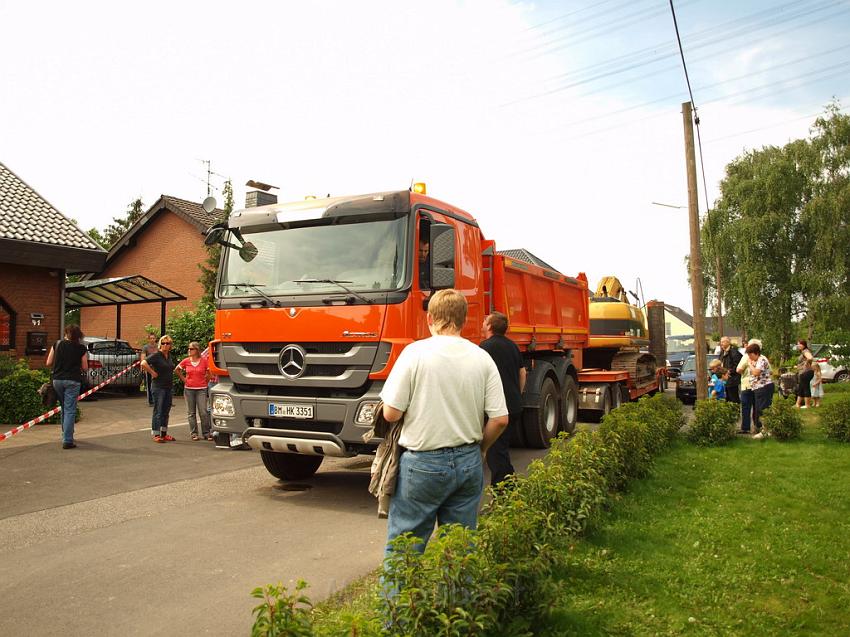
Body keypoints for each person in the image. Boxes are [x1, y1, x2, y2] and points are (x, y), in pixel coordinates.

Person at [380, 289, 509, 553]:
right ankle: (458, 594)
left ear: (429, 318)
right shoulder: (482, 358)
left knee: (405, 550)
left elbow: (391, 413)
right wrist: (481, 449)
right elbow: (500, 419)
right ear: (464, 319)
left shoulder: (414, 353)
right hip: (468, 461)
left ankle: (400, 595)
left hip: (422, 463)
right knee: (460, 550)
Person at [480, 311, 527, 487]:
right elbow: (522, 373)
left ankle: (505, 493)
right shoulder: (513, 346)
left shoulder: (485, 348)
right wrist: (517, 394)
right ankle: (510, 485)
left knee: (494, 452)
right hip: (514, 405)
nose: (483, 322)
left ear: (490, 326)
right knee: (501, 449)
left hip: (497, 409)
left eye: (485, 320)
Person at [45, 325, 88, 449]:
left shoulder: (57, 344)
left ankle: (66, 434)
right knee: (70, 409)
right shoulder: (81, 348)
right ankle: (68, 440)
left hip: (57, 380)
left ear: (66, 333)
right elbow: (85, 367)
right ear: (78, 336)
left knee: (64, 407)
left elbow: (48, 362)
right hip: (73, 380)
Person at [140, 335, 178, 443]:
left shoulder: (169, 356)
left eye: (168, 343)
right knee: (158, 410)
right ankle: (156, 434)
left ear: (170, 345)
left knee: (166, 411)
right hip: (158, 387)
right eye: (163, 343)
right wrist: (152, 372)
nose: (165, 345)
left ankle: (164, 433)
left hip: (168, 387)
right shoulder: (157, 355)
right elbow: (143, 363)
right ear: (160, 344)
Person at [177, 341, 212, 441]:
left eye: (191, 349)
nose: (189, 350)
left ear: (197, 350)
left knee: (203, 412)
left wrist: (206, 381)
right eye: (188, 349)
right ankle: (194, 433)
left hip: (201, 389)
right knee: (191, 413)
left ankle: (206, 433)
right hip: (189, 389)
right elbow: (177, 370)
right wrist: (184, 379)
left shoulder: (204, 361)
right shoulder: (186, 361)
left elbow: (210, 372)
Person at [746, 342, 775, 439]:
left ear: (756, 353)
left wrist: (750, 365)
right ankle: (765, 429)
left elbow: (756, 373)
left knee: (763, 409)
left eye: (750, 354)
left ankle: (766, 430)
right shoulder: (757, 361)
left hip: (764, 387)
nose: (749, 357)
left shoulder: (761, 360)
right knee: (759, 409)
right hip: (758, 388)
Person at [736, 338, 760, 434]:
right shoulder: (763, 357)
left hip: (747, 384)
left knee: (746, 407)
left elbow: (738, 369)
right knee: (757, 407)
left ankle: (745, 428)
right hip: (758, 385)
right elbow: (770, 371)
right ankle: (757, 426)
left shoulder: (746, 357)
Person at [718, 336, 743, 403]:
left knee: (734, 399)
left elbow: (738, 365)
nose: (721, 343)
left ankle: (736, 413)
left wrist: (729, 371)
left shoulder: (734, 352)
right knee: (727, 399)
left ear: (728, 342)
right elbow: (720, 363)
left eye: (723, 342)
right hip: (724, 379)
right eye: (721, 342)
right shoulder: (721, 353)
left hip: (732, 380)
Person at [795, 339, 815, 409]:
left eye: (800, 344)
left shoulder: (805, 351)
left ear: (804, 345)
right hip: (803, 372)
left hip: (806, 372)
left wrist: (806, 363)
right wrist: (799, 366)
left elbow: (810, 357)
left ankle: (807, 405)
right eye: (798, 344)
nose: (798, 345)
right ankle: (797, 404)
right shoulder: (803, 352)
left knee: (806, 388)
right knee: (801, 388)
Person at [140, 333, 159, 405]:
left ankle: (157, 399)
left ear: (155, 339)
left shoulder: (158, 347)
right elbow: (143, 357)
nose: (152, 340)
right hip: (149, 368)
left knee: (157, 384)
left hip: (157, 368)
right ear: (148, 339)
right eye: (151, 338)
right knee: (149, 384)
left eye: (153, 338)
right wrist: (143, 367)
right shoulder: (146, 347)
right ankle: (151, 401)